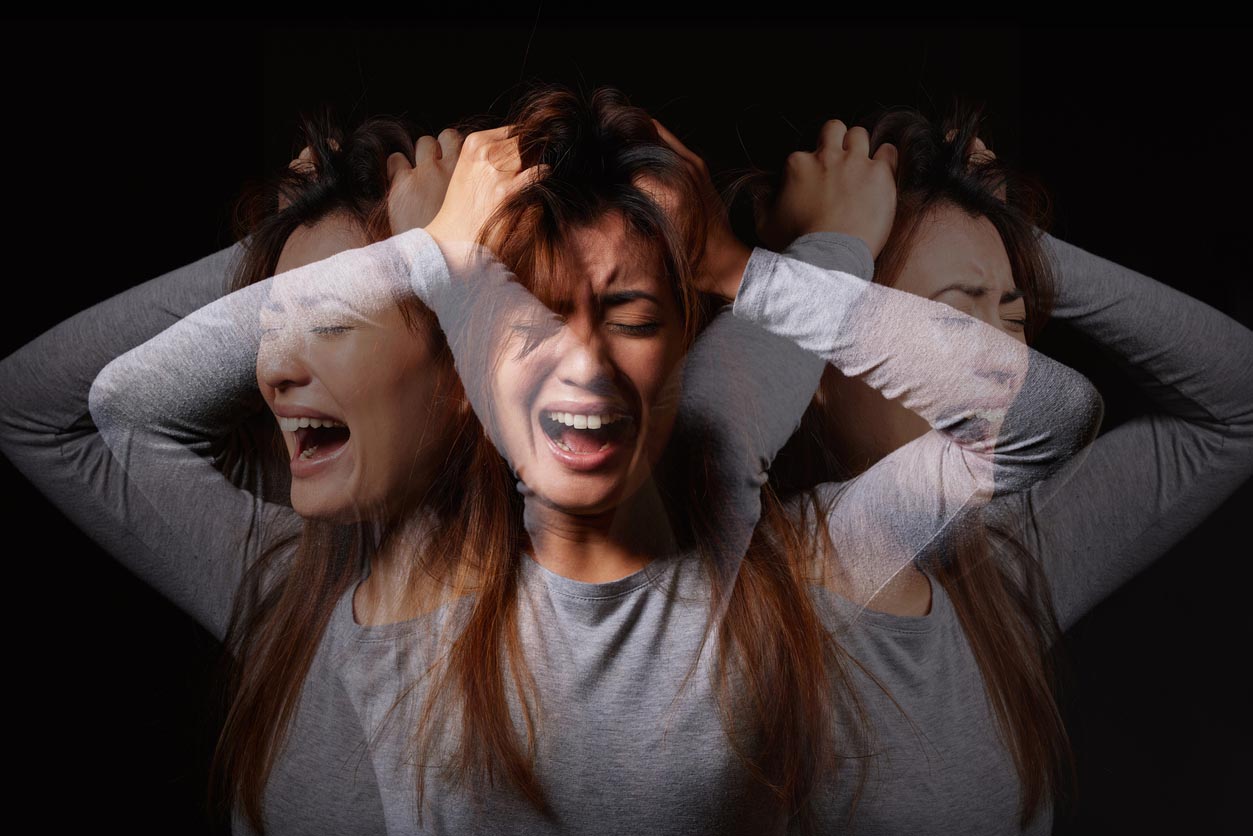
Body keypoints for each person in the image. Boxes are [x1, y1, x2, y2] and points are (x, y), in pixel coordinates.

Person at [761, 103, 1253, 833]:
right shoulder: (735, 602)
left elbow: (1233, 407)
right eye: (956, 316)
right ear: (823, 368)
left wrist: (1019, 242)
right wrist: (824, 255)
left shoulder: (997, 571)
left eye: (1015, 319)